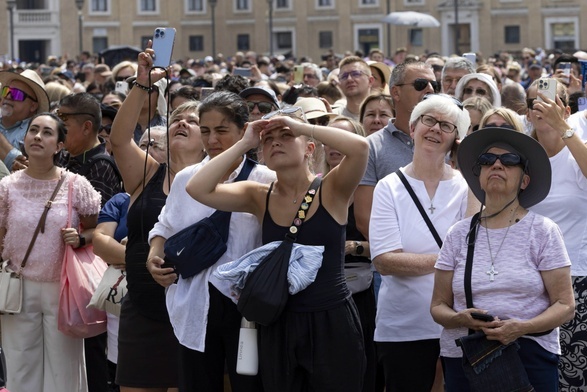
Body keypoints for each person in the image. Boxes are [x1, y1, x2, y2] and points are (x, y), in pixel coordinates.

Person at [185, 105, 369, 391]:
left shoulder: (331, 189)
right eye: (268, 139)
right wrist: (246, 142)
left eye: (286, 135)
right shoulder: (258, 196)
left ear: (309, 148)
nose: (275, 142)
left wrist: (302, 125)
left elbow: (360, 147)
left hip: (331, 321)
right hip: (278, 323)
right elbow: (198, 188)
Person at [146, 91, 275, 392]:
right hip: (194, 298)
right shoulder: (187, 178)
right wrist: (153, 257)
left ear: (244, 131)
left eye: (221, 130)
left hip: (246, 303)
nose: (212, 140)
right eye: (205, 131)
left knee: (250, 384)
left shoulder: (265, 178)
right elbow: (165, 225)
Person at [431, 127, 575, 391]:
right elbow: (438, 306)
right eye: (487, 161)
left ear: (524, 181)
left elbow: (566, 305)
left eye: (509, 161)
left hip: (528, 354)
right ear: (480, 175)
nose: (496, 165)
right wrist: (460, 319)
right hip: (467, 358)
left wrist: (522, 327)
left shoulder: (543, 230)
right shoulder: (458, 233)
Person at [109, 44, 206, 391]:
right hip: (143, 308)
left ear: (208, 139)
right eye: (177, 117)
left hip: (195, 310)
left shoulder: (218, 181)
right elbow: (119, 140)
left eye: (193, 121)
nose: (182, 121)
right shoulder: (148, 173)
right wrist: (142, 84)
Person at [369, 94, 471, 392]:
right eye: (429, 120)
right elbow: (385, 262)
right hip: (403, 326)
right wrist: (448, 259)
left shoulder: (467, 187)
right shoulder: (388, 187)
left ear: (456, 140)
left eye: (447, 126)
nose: (436, 129)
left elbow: (473, 248)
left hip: (458, 322)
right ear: (412, 128)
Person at [0, 112, 101, 391]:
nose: (37, 137)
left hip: (64, 287)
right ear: (24, 138)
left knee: (64, 366)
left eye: (47, 132)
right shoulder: (7, 186)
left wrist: (81, 238)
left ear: (59, 145)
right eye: (33, 130)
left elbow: (98, 230)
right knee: (19, 364)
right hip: (18, 286)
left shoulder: (76, 184)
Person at [524, 80, 587, 392]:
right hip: (528, 282)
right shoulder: (520, 157)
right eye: (534, 101)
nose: (541, 106)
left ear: (566, 109)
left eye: (548, 99)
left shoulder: (578, 153)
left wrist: (564, 127)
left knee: (575, 379)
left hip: (577, 278)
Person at [324, 115, 380, 392]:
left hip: (360, 293)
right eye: (328, 138)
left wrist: (353, 247)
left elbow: (388, 247)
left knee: (362, 369)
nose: (334, 145)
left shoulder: (373, 194)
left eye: (341, 139)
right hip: (320, 294)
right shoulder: (313, 188)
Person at [0, 69, 50, 171]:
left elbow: (23, 166)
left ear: (33, 106)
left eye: (17, 94)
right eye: (6, 91)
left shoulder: (36, 132)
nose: (8, 97)